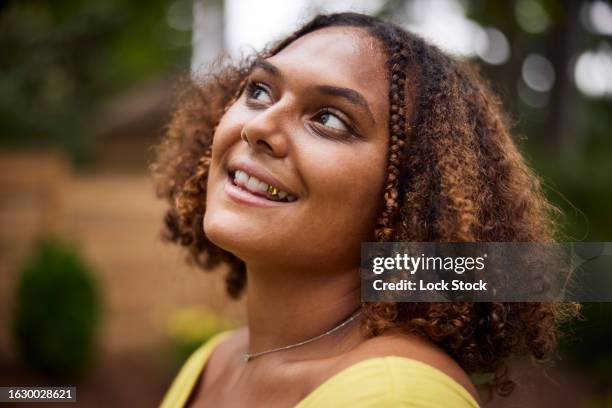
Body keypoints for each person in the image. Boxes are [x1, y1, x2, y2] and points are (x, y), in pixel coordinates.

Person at [153, 12, 578, 407]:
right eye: (260, 91)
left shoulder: (398, 396)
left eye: (331, 120)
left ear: (411, 195)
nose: (258, 126)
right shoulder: (211, 362)